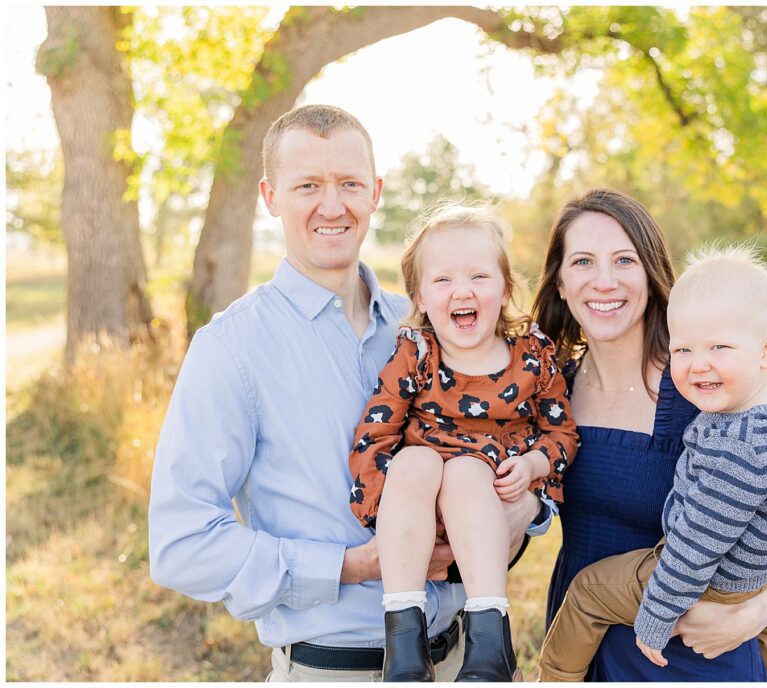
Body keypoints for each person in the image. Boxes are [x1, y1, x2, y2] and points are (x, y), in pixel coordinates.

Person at [147, 105, 547, 682]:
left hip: (465, 659)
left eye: (350, 184)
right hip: (336, 671)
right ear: (270, 196)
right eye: (308, 185)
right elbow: (182, 544)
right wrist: (351, 566)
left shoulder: (430, 327)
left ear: (376, 192)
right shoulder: (232, 349)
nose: (332, 207)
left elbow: (514, 434)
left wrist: (523, 511)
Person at [533, 188, 767, 681]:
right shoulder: (551, 392)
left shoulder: (704, 391)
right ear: (559, 281)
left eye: (625, 259)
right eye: (582, 261)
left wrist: (751, 615)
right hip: (585, 643)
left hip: (691, 655)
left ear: (651, 274)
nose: (604, 281)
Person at [347, 202, 578, 681]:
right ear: (420, 297)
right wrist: (380, 517)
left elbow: (562, 433)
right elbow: (375, 432)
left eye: (479, 276)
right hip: (416, 515)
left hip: (489, 514)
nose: (462, 291)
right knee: (414, 462)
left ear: (505, 288)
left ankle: (490, 642)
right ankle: (404, 643)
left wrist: (535, 467)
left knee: (467, 470)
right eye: (444, 280)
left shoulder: (532, 356)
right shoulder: (417, 353)